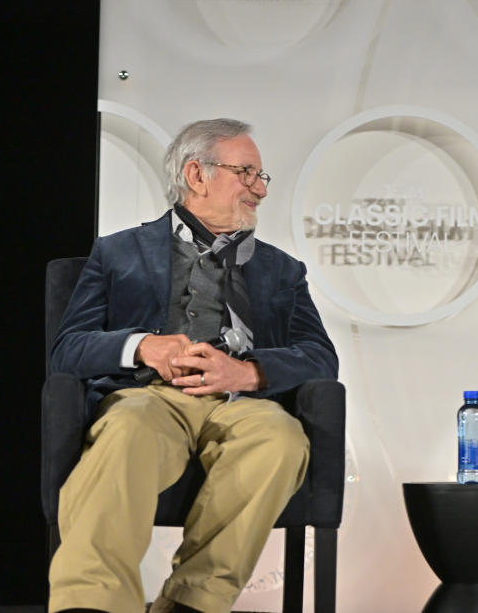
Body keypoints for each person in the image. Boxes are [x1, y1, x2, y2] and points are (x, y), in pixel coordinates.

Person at [48, 118, 339, 613]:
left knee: (279, 439)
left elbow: (320, 356)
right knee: (128, 430)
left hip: (240, 404)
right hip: (148, 396)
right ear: (196, 175)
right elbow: (68, 348)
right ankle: (92, 603)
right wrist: (142, 346)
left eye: (261, 177)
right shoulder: (118, 253)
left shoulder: (282, 270)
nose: (259, 190)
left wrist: (246, 373)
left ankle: (192, 603)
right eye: (245, 173)